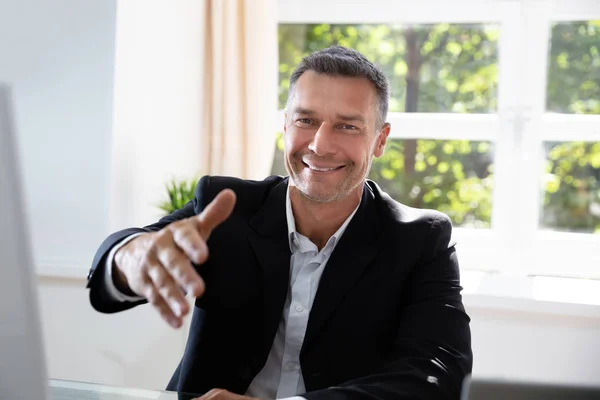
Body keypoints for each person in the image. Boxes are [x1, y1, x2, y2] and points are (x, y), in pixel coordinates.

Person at [87, 46, 473, 400]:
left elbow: (437, 376)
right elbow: (125, 257)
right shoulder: (226, 208)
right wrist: (132, 258)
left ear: (380, 140)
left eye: (348, 126)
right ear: (285, 125)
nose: (320, 145)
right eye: (306, 119)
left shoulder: (420, 239)